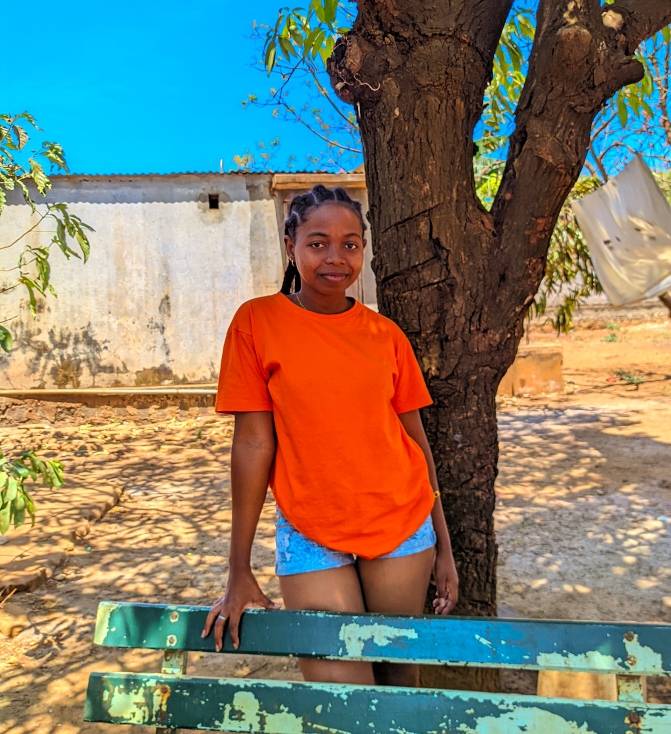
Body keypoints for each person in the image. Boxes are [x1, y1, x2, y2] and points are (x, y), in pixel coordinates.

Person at [201, 184, 459, 686]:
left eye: (350, 244)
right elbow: (253, 444)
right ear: (290, 245)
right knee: (342, 696)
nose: (335, 258)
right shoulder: (257, 323)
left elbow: (415, 443)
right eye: (318, 243)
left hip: (401, 523)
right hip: (309, 529)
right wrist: (238, 570)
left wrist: (444, 547)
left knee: (397, 679)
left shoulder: (386, 336)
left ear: (363, 250)